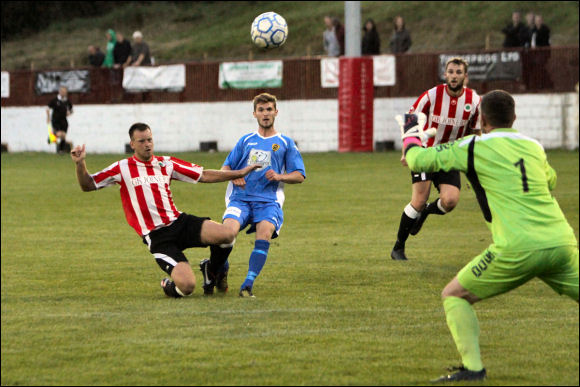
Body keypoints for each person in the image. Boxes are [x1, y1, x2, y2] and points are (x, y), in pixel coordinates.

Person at [396, 90, 578, 382]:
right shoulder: (533, 146)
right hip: (562, 243)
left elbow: (417, 160)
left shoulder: (472, 146)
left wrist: (410, 133)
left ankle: (473, 370)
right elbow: (550, 180)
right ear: (514, 118)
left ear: (481, 119)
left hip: (517, 247)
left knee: (454, 295)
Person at [69, 123, 259, 298]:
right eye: (141, 141)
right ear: (132, 144)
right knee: (187, 287)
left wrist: (239, 173)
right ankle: (169, 285)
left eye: (149, 139)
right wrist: (80, 164)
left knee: (227, 234)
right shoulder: (122, 168)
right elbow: (88, 184)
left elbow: (204, 174)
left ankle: (212, 271)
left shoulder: (166, 163)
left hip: (179, 222)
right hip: (158, 237)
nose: (147, 144)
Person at [200, 93, 306, 298]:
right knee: (226, 233)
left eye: (269, 109)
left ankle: (247, 285)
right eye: (261, 110)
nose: (265, 114)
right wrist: (234, 177)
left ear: (276, 112)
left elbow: (299, 175)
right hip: (240, 198)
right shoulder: (246, 140)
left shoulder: (285, 142)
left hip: (268, 201)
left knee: (264, 233)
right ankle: (216, 268)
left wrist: (279, 176)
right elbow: (226, 167)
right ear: (254, 113)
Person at [391, 57, 481, 261]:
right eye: (451, 72)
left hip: (450, 157)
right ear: (445, 74)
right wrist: (407, 150)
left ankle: (426, 213)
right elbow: (410, 119)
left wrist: (472, 164)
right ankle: (398, 247)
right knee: (419, 199)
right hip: (425, 154)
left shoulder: (474, 101)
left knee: (450, 201)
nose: (454, 76)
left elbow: (475, 134)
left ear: (465, 76)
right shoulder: (432, 95)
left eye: (458, 72)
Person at [46, 86, 73, 154]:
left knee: (63, 136)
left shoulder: (67, 101)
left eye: (65, 92)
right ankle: (51, 138)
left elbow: (71, 110)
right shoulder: (55, 100)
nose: (63, 93)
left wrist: (69, 113)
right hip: (55, 120)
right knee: (60, 134)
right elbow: (47, 108)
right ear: (59, 92)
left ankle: (61, 150)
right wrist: (48, 117)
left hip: (64, 120)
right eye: (62, 91)